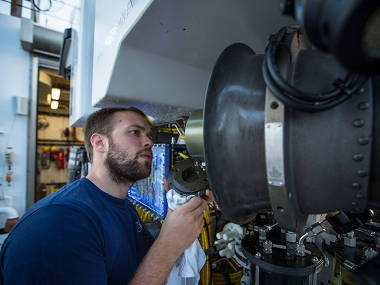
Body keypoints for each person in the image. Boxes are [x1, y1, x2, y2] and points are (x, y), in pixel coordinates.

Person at [0, 107, 213, 284]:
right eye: (134, 132)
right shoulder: (58, 224)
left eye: (149, 134)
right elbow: (160, 255)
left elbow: (145, 266)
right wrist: (168, 245)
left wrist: (177, 214)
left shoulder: (122, 207)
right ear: (99, 143)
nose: (148, 141)